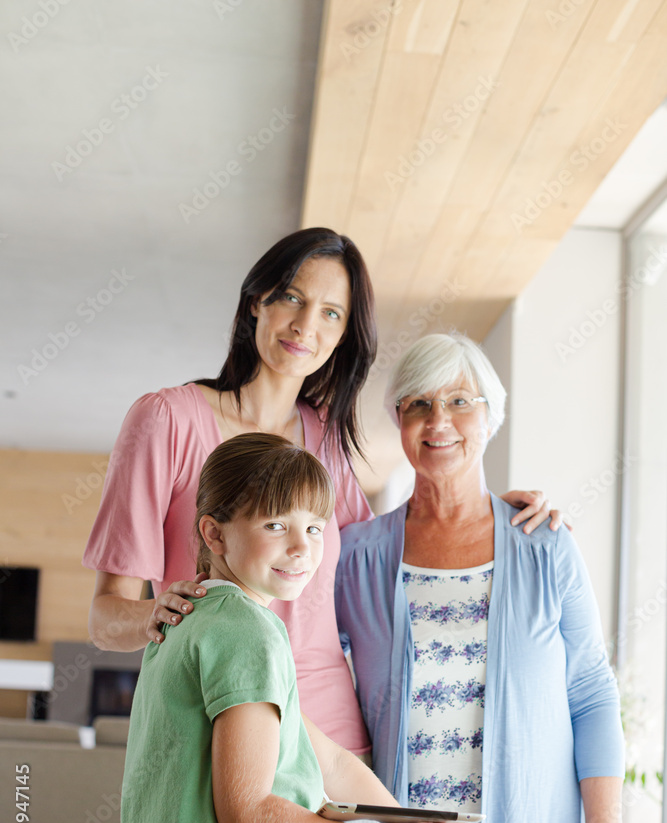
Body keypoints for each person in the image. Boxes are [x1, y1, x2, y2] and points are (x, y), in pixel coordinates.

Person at [84, 227, 558, 752]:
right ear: (254, 304)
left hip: (329, 726)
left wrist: (483, 513)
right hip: (211, 710)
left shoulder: (327, 438)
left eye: (331, 312)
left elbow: (382, 552)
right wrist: (156, 612)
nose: (306, 325)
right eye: (292, 297)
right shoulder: (167, 420)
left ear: (342, 336)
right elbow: (107, 618)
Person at [121, 433, 513, 823]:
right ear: (214, 533)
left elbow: (323, 753)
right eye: (275, 525)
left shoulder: (187, 617)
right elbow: (249, 817)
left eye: (314, 527)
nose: (302, 547)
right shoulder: (249, 634)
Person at [334, 332, 627, 823]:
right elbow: (313, 683)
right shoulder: (355, 555)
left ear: (491, 416)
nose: (438, 421)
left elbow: (592, 696)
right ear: (399, 421)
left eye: (460, 401)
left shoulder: (546, 546)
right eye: (417, 404)